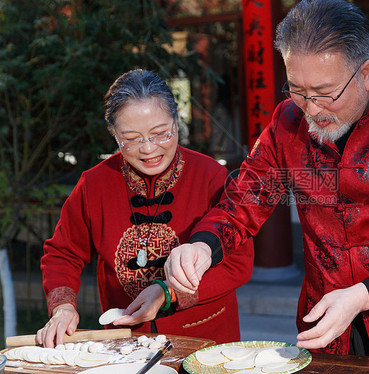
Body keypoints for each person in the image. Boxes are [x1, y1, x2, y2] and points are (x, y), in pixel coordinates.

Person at [165, 0, 369, 371]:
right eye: (296, 89)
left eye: (325, 93)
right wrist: (203, 244)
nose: (311, 109)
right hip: (325, 328)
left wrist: (363, 296)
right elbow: (246, 197)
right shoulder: (287, 121)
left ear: (364, 73)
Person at [37, 69, 254, 348]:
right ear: (114, 134)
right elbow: (62, 253)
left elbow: (239, 263)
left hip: (205, 339)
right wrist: (63, 307)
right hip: (128, 343)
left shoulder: (210, 176)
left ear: (177, 122)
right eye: (132, 138)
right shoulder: (95, 184)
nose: (149, 149)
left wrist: (168, 292)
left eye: (161, 133)